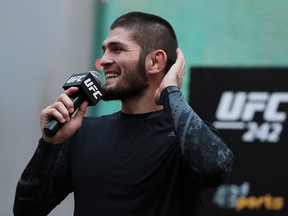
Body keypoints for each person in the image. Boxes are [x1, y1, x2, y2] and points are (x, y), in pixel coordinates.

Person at [13, 11, 233, 216]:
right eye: (104, 50)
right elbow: (27, 210)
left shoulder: (186, 137)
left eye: (117, 49)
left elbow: (213, 169)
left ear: (155, 61)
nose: (104, 60)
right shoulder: (82, 133)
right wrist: (49, 145)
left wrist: (170, 92)